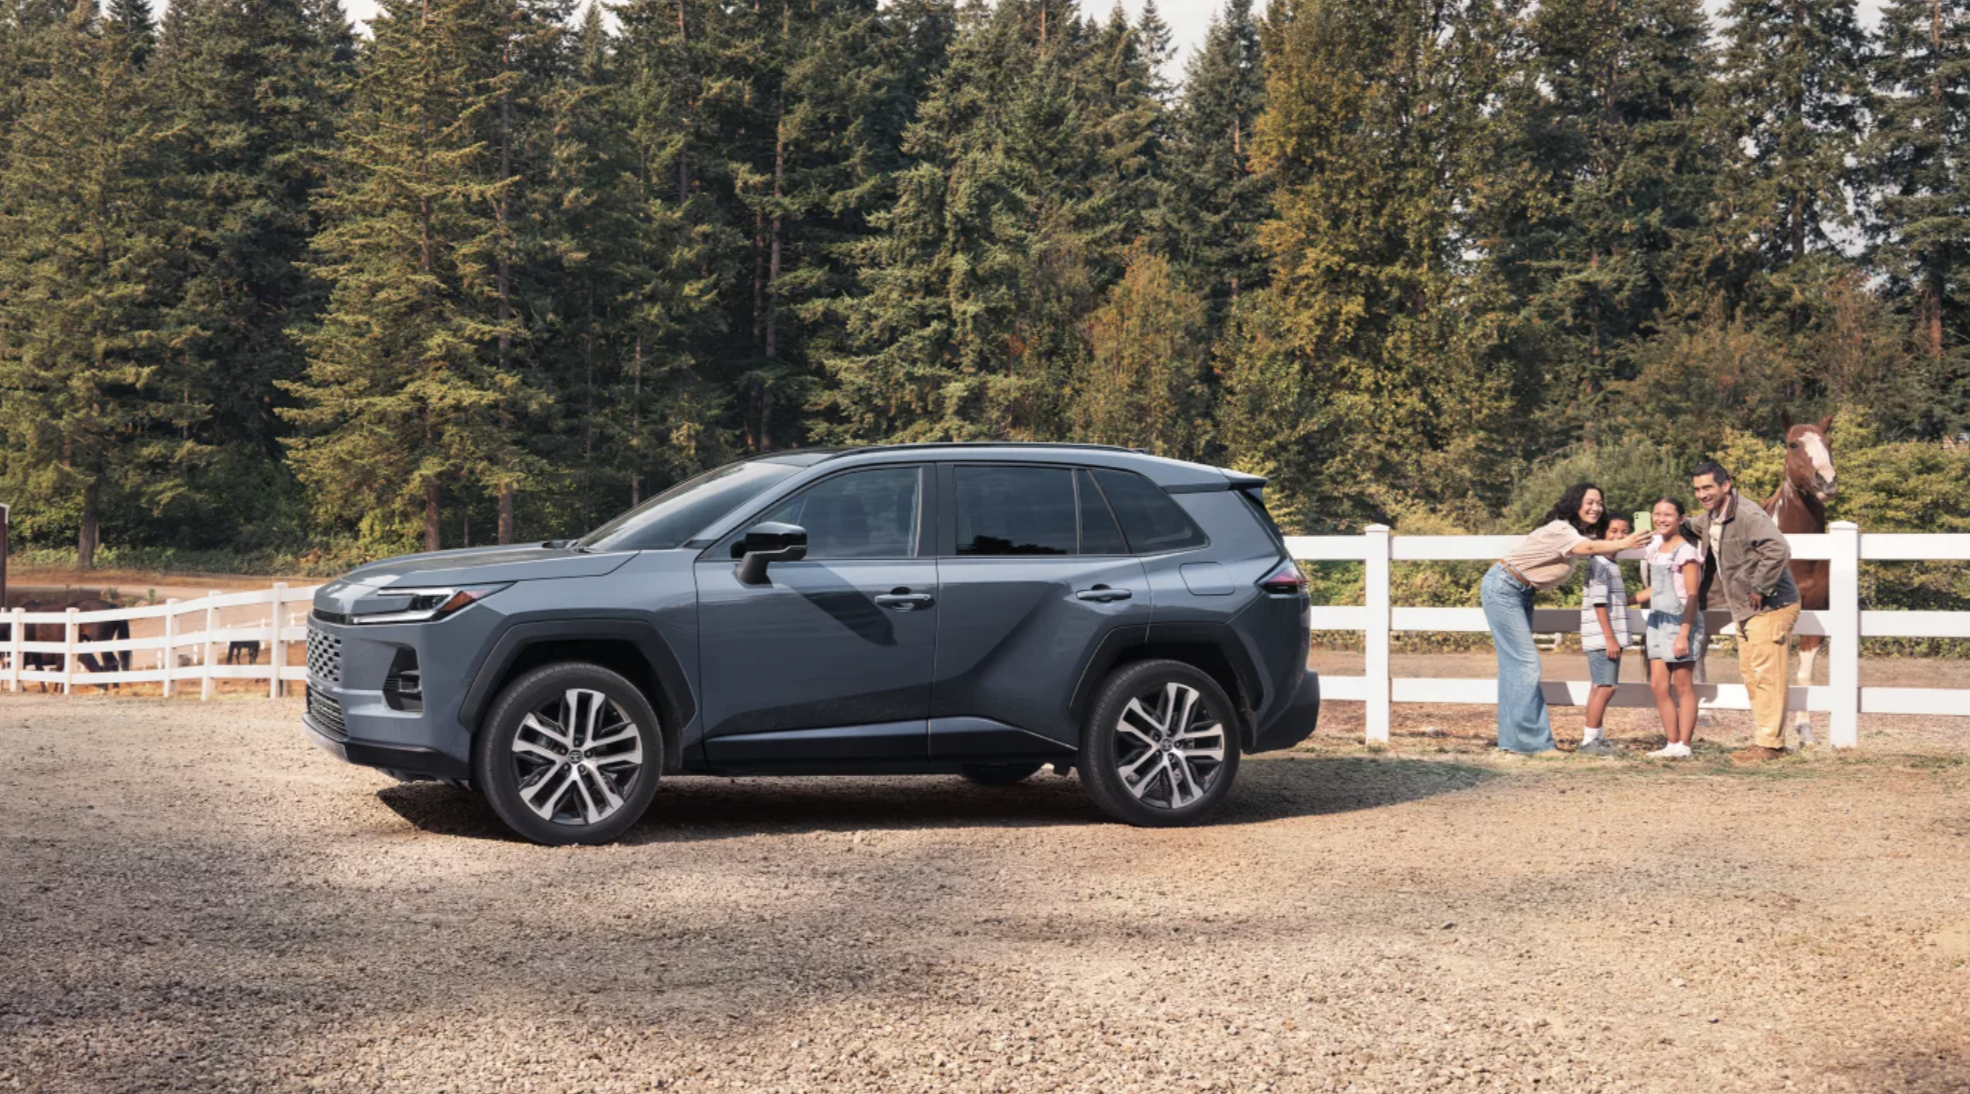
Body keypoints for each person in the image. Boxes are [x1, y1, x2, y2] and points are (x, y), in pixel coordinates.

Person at [1483, 484, 1650, 756]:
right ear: (1575, 503)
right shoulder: (1562, 529)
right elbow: (1590, 547)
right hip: (1505, 587)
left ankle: (1513, 742)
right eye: (1590, 502)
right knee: (1526, 664)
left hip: (1519, 590)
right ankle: (1535, 745)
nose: (1596, 507)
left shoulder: (1572, 532)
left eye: (1600, 503)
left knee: (1515, 667)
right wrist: (1625, 542)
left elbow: (1595, 543)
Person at [1689, 460, 1802, 762]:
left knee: (1767, 676)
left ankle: (1771, 746)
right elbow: (1690, 525)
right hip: (1748, 610)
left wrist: (1761, 587)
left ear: (1725, 486)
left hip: (1771, 605)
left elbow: (1778, 549)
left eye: (1708, 487)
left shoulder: (1748, 514)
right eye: (1698, 489)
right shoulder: (1713, 517)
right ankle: (1766, 740)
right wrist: (1657, 522)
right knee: (1752, 675)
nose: (1702, 494)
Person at [1633, 499, 1704, 758]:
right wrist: (1628, 600)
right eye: (1657, 514)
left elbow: (1692, 595)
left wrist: (1684, 633)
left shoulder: (1686, 553)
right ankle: (1671, 743)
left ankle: (1684, 745)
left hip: (1680, 621)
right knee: (1658, 685)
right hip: (1657, 621)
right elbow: (1657, 590)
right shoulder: (1655, 548)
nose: (1661, 519)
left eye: (1668, 514)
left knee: (1683, 685)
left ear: (1681, 518)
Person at [1577, 515, 1633, 755]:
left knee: (1598, 686)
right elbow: (1599, 603)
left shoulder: (1609, 563)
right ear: (1601, 535)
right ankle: (1589, 741)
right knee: (1606, 687)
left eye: (1624, 532)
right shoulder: (1599, 562)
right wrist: (1610, 637)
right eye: (1613, 531)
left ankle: (1595, 738)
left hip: (1604, 636)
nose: (1619, 536)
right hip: (1603, 637)